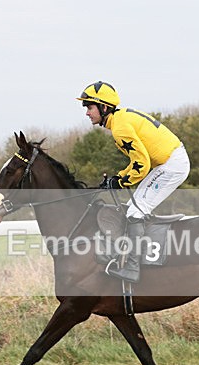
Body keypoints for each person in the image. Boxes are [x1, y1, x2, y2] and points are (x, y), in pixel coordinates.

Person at [77, 81, 190, 283]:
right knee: (131, 208)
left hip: (171, 165)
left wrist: (120, 183)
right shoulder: (120, 120)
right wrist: (119, 178)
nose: (86, 112)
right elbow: (137, 162)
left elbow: (141, 164)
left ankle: (132, 268)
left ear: (104, 107)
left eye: (89, 107)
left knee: (136, 211)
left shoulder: (120, 128)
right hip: (167, 163)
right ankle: (127, 259)